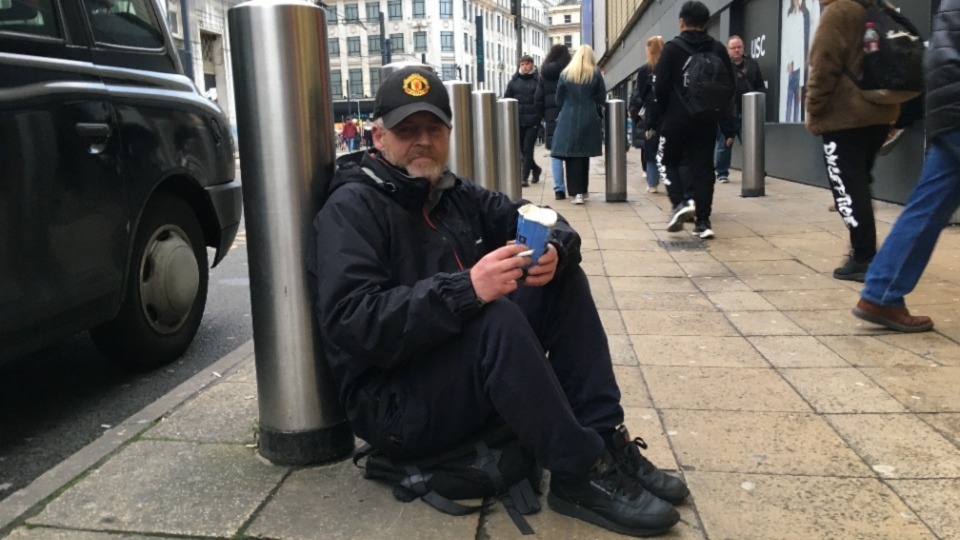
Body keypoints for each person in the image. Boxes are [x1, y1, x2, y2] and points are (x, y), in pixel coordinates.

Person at [311, 65, 688, 538]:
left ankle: (604, 439)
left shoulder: (453, 194)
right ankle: (577, 472)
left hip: (449, 370)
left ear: (449, 132)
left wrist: (556, 251)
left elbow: (544, 218)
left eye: (432, 128)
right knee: (495, 318)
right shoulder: (352, 207)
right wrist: (468, 287)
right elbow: (353, 321)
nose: (421, 141)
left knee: (560, 281)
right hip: (392, 403)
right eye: (406, 130)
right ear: (378, 136)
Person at [852, 0, 960, 333]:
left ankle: (881, 292)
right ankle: (881, 291)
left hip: (948, 95)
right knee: (929, 203)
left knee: (929, 203)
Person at [805, 0, 899, 282]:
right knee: (859, 182)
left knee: (847, 186)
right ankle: (863, 251)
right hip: (878, 112)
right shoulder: (880, 7)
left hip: (844, 115)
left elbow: (823, 62)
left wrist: (814, 106)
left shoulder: (839, 10)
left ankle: (863, 256)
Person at [650, 1, 736, 239]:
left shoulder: (672, 49)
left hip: (676, 119)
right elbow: (730, 85)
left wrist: (663, 113)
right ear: (706, 23)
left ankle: (680, 204)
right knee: (704, 170)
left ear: (681, 22)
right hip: (706, 120)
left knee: (665, 159)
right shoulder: (718, 48)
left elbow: (660, 87)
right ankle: (704, 222)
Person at [551, 44, 606, 206]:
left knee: (571, 155)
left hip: (568, 116)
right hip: (589, 117)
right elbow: (602, 97)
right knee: (584, 154)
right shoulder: (595, 73)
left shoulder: (566, 74)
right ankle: (584, 189)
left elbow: (558, 99)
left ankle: (576, 193)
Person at [714, 35, 766, 184]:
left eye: (739, 47)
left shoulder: (752, 64)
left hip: (749, 112)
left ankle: (756, 171)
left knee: (752, 144)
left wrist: (759, 96)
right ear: (728, 50)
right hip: (729, 112)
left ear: (743, 48)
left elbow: (760, 84)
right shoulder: (723, 66)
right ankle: (722, 173)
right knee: (724, 144)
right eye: (733, 48)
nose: (737, 50)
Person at [536, 44, 573, 200]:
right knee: (572, 153)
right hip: (569, 115)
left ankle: (559, 189)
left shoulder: (544, 75)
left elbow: (538, 99)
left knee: (556, 154)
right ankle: (574, 187)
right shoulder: (570, 72)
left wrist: (544, 115)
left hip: (551, 117)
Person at [629, 35, 665, 194]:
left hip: (651, 115)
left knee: (651, 147)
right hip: (668, 114)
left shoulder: (645, 70)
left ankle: (653, 183)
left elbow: (641, 94)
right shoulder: (670, 66)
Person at [505, 54, 543, 188]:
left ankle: (524, 177)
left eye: (527, 64)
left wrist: (539, 116)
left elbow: (541, 100)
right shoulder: (513, 82)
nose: (525, 67)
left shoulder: (538, 81)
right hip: (518, 120)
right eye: (522, 64)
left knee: (528, 149)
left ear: (532, 64)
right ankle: (536, 169)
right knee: (522, 150)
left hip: (533, 121)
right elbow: (506, 100)